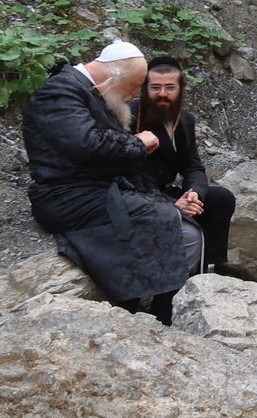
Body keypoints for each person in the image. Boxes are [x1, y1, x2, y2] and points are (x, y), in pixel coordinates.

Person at [22, 40, 193, 324]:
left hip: (92, 187)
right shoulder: (58, 92)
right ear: (115, 76)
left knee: (171, 212)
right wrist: (137, 143)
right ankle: (148, 309)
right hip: (66, 197)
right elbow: (87, 145)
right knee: (162, 217)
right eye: (135, 85)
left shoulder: (86, 90)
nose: (137, 94)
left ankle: (154, 305)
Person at [132, 56, 235, 272]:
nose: (162, 94)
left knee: (221, 198)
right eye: (156, 87)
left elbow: (192, 165)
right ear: (144, 88)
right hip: (138, 193)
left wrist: (193, 193)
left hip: (166, 192)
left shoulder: (184, 118)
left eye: (170, 87)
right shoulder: (131, 115)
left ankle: (209, 266)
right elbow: (127, 173)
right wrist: (170, 204)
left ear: (181, 89)